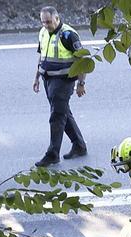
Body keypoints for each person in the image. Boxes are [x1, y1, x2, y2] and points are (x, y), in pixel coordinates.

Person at [34, 6, 87, 167]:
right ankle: (79, 145)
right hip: (47, 79)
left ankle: (52, 153)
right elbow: (42, 56)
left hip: (63, 81)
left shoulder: (68, 35)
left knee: (57, 116)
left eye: (49, 22)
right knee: (62, 112)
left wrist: (81, 83)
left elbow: (83, 60)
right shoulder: (43, 32)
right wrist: (36, 77)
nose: (46, 25)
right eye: (43, 22)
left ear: (57, 18)